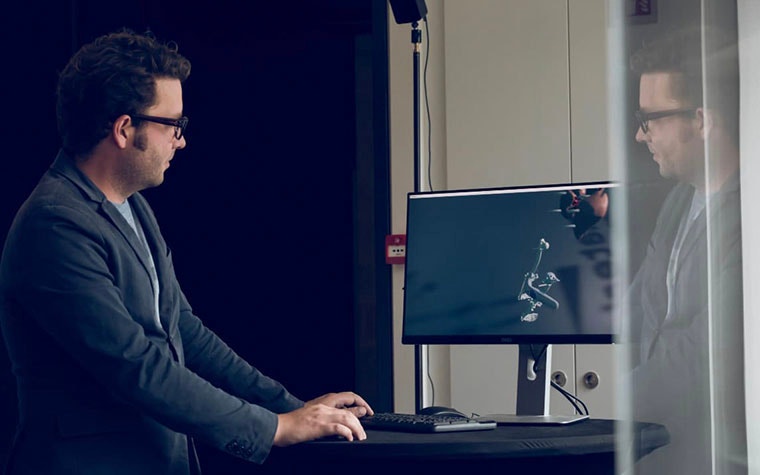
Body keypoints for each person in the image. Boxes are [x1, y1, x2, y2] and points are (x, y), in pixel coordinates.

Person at [0, 29, 373, 475]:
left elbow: (183, 330)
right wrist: (273, 428)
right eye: (173, 125)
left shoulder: (133, 205)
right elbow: (135, 366)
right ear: (123, 129)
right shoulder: (54, 224)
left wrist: (294, 407)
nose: (181, 140)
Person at [625, 26, 745, 474]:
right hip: (660, 448)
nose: (641, 137)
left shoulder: (748, 213)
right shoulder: (678, 199)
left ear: (702, 119)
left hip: (714, 453)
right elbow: (640, 308)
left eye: (650, 120)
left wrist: (610, 401)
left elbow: (707, 351)